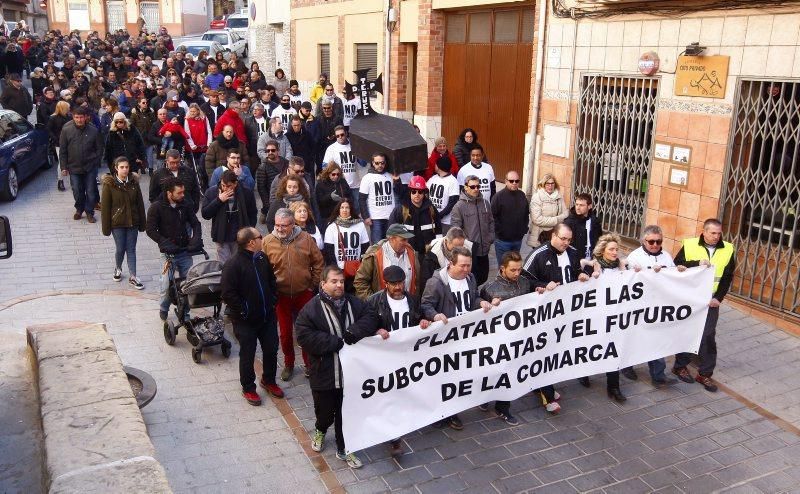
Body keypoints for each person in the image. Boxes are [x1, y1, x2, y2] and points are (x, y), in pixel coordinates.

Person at [295, 265, 379, 468]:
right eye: (334, 281)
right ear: (323, 284)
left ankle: (345, 448)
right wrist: (336, 342)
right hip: (324, 374)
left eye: (341, 281)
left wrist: (354, 331)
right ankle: (320, 430)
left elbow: (371, 316)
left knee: (346, 414)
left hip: (350, 376)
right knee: (325, 413)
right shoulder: (311, 309)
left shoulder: (353, 302)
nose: (339, 285)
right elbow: (304, 336)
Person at [420, 246, 499, 429]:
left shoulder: (470, 278)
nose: (466, 270)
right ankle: (443, 412)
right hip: (446, 339)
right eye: (462, 266)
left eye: (468, 266)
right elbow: (425, 305)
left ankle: (452, 410)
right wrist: (435, 316)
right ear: (450, 264)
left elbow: (473, 299)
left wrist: (481, 303)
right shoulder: (436, 283)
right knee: (445, 376)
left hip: (467, 336)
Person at [522, 224, 591, 413]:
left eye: (569, 240)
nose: (566, 243)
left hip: (567, 312)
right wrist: (543, 285)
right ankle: (546, 395)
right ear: (553, 235)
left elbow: (577, 271)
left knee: (556, 351)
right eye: (562, 239)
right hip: (545, 314)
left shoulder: (573, 252)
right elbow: (524, 280)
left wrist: (582, 275)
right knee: (544, 352)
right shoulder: (538, 255)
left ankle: (546, 385)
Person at [368, 265, 431, 455]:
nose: (398, 287)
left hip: (407, 356)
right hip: (385, 358)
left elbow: (419, 318)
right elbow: (364, 324)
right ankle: (394, 438)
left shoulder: (412, 300)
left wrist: (423, 322)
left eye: (400, 283)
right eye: (393, 284)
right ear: (385, 284)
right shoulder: (374, 302)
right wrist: (375, 330)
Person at [220, 227, 284, 405]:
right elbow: (227, 293)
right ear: (251, 242)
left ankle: (269, 381)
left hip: (267, 316)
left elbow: (271, 281)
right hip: (245, 320)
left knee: (271, 349)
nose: (262, 238)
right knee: (247, 354)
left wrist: (272, 300)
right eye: (259, 236)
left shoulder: (262, 258)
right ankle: (248, 388)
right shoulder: (233, 265)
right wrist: (244, 310)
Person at [672, 218, 736, 393]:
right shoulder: (691, 245)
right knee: (688, 332)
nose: (716, 236)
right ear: (704, 231)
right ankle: (680, 366)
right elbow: (677, 265)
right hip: (690, 297)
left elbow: (728, 276)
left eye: (719, 233)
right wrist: (696, 263)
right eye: (713, 233)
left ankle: (705, 373)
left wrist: (719, 298)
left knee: (708, 335)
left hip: (711, 300)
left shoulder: (728, 248)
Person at [263, 208, 325, 380]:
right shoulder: (267, 242)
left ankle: (309, 364)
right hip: (281, 296)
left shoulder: (306, 239)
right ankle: (289, 364)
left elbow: (318, 262)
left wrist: (312, 285)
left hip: (304, 293)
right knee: (285, 333)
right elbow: (262, 269)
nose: (280, 229)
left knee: (305, 331)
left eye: (284, 226)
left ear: (293, 224)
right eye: (277, 225)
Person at [623, 225, 683, 387]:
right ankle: (626, 365)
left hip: (659, 305)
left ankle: (658, 376)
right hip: (639, 305)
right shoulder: (634, 257)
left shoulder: (666, 256)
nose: (655, 245)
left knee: (656, 339)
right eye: (651, 242)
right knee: (635, 337)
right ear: (644, 240)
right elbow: (628, 281)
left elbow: (672, 278)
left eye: (659, 241)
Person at [478, 251, 530, 425]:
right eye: (513, 270)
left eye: (519, 270)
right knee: (493, 370)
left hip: (518, 337)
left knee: (510, 371)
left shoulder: (525, 283)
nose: (517, 274)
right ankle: (486, 397)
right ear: (502, 269)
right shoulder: (489, 288)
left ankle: (503, 407)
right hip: (497, 339)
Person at [575, 233, 627, 402]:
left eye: (616, 249)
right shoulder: (593, 265)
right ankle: (584, 372)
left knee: (613, 349)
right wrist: (590, 277)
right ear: (602, 250)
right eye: (611, 249)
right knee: (592, 345)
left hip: (614, 315)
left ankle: (614, 386)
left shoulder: (621, 265)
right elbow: (581, 287)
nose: (614, 252)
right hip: (595, 316)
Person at [145, 177, 203, 321]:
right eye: (179, 193)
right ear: (169, 193)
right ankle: (164, 307)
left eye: (183, 192)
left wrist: (195, 240)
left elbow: (196, 224)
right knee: (166, 284)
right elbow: (150, 229)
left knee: (188, 284)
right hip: (168, 255)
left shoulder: (185, 204)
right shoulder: (156, 207)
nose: (183, 195)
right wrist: (164, 243)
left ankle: (185, 313)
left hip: (184, 252)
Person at [101, 157, 147, 290]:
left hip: (133, 222)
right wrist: (106, 228)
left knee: (131, 249)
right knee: (120, 248)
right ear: (116, 168)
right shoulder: (109, 184)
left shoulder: (134, 182)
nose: (125, 170)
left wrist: (142, 223)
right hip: (118, 223)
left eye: (127, 167)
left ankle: (133, 276)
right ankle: (118, 268)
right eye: (122, 167)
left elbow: (140, 204)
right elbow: (105, 208)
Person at [201, 170, 257, 263]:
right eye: (223, 185)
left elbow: (252, 213)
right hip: (221, 235)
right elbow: (205, 214)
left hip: (240, 235)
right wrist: (218, 200)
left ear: (235, 184)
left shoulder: (246, 192)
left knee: (240, 263)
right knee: (225, 265)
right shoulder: (212, 192)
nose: (225, 189)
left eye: (229, 186)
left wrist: (249, 231)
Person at [60, 106, 103, 223]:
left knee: (90, 190)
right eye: (76, 117)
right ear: (73, 117)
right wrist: (63, 167)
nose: (79, 120)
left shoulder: (93, 130)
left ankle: (89, 212)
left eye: (81, 117)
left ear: (86, 118)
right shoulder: (66, 129)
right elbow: (63, 150)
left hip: (90, 166)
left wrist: (95, 161)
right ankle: (79, 209)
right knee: (77, 190)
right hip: (74, 166)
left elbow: (99, 148)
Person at [354, 224, 420, 300]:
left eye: (407, 239)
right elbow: (360, 281)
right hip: (381, 308)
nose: (406, 242)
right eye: (403, 239)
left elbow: (417, 282)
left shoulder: (412, 253)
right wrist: (373, 302)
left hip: (407, 306)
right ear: (391, 239)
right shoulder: (374, 255)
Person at [451, 175, 495, 286]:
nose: (476, 189)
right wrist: (466, 245)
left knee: (483, 277)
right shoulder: (459, 206)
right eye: (473, 186)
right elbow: (456, 230)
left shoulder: (485, 203)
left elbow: (491, 221)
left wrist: (490, 237)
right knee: (471, 279)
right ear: (465, 187)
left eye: (478, 186)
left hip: (485, 249)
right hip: (470, 252)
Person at [388, 175, 440, 264]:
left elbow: (439, 231)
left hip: (427, 255)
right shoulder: (400, 210)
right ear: (409, 192)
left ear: (424, 193)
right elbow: (391, 232)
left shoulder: (431, 210)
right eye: (414, 191)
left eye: (420, 192)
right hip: (406, 254)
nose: (417, 194)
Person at [323, 198, 370, 292]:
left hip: (357, 269)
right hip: (339, 269)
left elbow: (365, 248)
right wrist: (335, 270)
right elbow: (329, 252)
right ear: (338, 209)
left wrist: (361, 266)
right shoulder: (331, 227)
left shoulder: (360, 225)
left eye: (347, 207)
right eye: (342, 207)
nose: (344, 210)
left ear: (351, 209)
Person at [359, 153, 401, 242]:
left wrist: (397, 181)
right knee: (377, 246)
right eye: (377, 163)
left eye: (382, 163)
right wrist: (366, 216)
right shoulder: (367, 178)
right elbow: (362, 199)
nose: (380, 165)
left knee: (391, 244)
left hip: (391, 216)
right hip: (375, 217)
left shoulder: (391, 175)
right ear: (373, 163)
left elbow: (399, 193)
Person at [491, 171, 529, 265]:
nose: (514, 183)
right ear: (506, 181)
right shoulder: (498, 197)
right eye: (511, 181)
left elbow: (526, 214)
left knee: (515, 266)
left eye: (517, 181)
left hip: (518, 240)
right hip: (502, 241)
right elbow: (492, 217)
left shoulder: (522, 195)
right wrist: (500, 232)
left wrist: (524, 229)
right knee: (503, 267)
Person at [527, 173, 568, 248]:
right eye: (547, 184)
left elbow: (565, 214)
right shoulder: (537, 197)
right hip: (540, 236)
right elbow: (537, 219)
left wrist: (555, 220)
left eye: (552, 183)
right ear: (543, 184)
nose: (550, 186)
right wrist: (556, 220)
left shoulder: (559, 196)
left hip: (554, 234)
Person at [255, 140, 289, 223]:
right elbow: (261, 189)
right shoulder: (263, 167)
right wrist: (268, 205)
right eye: (267, 150)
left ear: (278, 151)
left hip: (287, 196)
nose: (270, 152)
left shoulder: (286, 163)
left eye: (273, 150)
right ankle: (264, 213)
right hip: (272, 198)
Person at [426, 155, 460, 234]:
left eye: (436, 164)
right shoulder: (433, 178)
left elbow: (452, 203)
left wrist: (439, 215)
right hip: (431, 219)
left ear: (439, 166)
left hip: (445, 222)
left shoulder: (453, 181)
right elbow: (424, 192)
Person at [322, 126, 359, 199]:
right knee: (343, 209)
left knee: (356, 209)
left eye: (342, 134)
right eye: (337, 136)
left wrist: (358, 148)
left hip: (355, 185)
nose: (340, 137)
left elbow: (363, 164)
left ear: (346, 133)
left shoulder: (354, 145)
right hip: (340, 185)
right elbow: (324, 167)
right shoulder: (331, 148)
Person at [564, 193, 602, 261]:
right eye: (577, 204)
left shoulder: (595, 221)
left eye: (581, 205)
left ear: (589, 206)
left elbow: (599, 240)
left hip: (592, 259)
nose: (578, 208)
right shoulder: (569, 222)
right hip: (575, 260)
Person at [316, 163, 352, 227]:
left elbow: (350, 195)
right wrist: (330, 197)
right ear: (328, 174)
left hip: (341, 214)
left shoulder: (342, 181)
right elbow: (319, 201)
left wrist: (345, 199)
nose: (336, 176)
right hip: (327, 216)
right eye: (333, 174)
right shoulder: (321, 183)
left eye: (338, 174)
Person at [47, 100, 71, 192]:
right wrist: (56, 139)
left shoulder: (68, 117)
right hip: (59, 143)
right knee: (61, 162)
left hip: (70, 141)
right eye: (67, 108)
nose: (69, 109)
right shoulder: (53, 118)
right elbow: (49, 130)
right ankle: (60, 180)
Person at [130, 97, 158, 174]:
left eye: (146, 102)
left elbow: (154, 123)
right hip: (139, 138)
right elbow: (131, 125)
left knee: (150, 156)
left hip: (149, 137)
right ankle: (142, 168)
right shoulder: (135, 113)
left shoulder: (150, 112)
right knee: (141, 154)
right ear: (139, 103)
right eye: (143, 103)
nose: (145, 104)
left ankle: (151, 169)